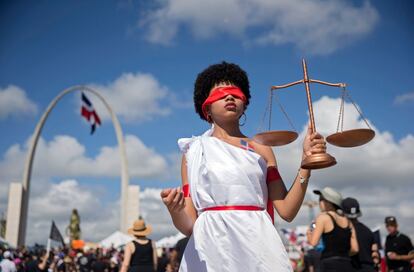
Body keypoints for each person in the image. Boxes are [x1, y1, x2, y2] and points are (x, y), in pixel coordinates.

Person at [160, 61, 327, 271]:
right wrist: (175, 211)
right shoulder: (193, 151)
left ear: (244, 102)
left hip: (257, 244)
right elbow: (189, 225)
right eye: (220, 93)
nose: (229, 96)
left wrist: (306, 164)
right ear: (206, 108)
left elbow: (287, 210)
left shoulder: (262, 149)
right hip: (211, 247)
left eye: (235, 92)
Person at [307, 187, 359, 272]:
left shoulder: (323, 218)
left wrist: (309, 234)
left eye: (321, 199)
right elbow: (355, 249)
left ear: (328, 202)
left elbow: (314, 242)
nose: (319, 202)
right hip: (347, 263)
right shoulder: (348, 222)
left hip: (329, 264)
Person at [342, 197, 379, 272]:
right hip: (370, 268)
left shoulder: (345, 231)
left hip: (353, 268)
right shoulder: (368, 231)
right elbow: (375, 253)